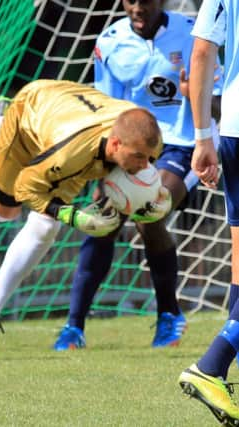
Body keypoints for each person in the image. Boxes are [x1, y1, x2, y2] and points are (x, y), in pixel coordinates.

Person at [53, 0, 223, 351]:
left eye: (144, 0)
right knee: (101, 220)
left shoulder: (194, 34)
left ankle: (168, 316)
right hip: (130, 149)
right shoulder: (110, 41)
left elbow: (220, 102)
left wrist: (197, 97)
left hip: (181, 144)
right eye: (130, 0)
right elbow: (106, 113)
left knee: (150, 212)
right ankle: (73, 327)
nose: (137, 8)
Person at [0, 79, 171, 359]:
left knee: (45, 225)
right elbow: (26, 186)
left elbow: (141, 168)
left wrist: (157, 195)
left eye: (149, 158)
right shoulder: (71, 151)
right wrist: (70, 215)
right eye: (138, 157)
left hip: (71, 114)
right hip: (28, 114)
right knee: (3, 212)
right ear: (115, 143)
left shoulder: (142, 138)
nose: (144, 164)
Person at [178, 1, 239, 424]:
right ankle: (212, 364)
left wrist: (204, 138)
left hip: (233, 130)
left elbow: (202, 52)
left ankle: (220, 371)